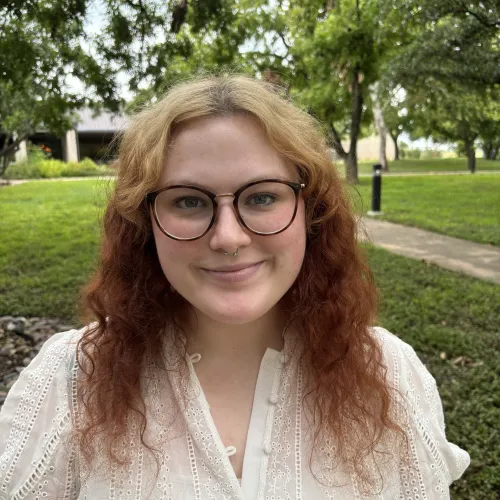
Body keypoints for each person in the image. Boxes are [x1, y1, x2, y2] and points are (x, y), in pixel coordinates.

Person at [0, 75, 469, 499]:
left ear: (312, 212)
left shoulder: (391, 375)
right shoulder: (71, 379)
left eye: (263, 196)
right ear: (144, 224)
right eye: (188, 201)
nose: (228, 238)